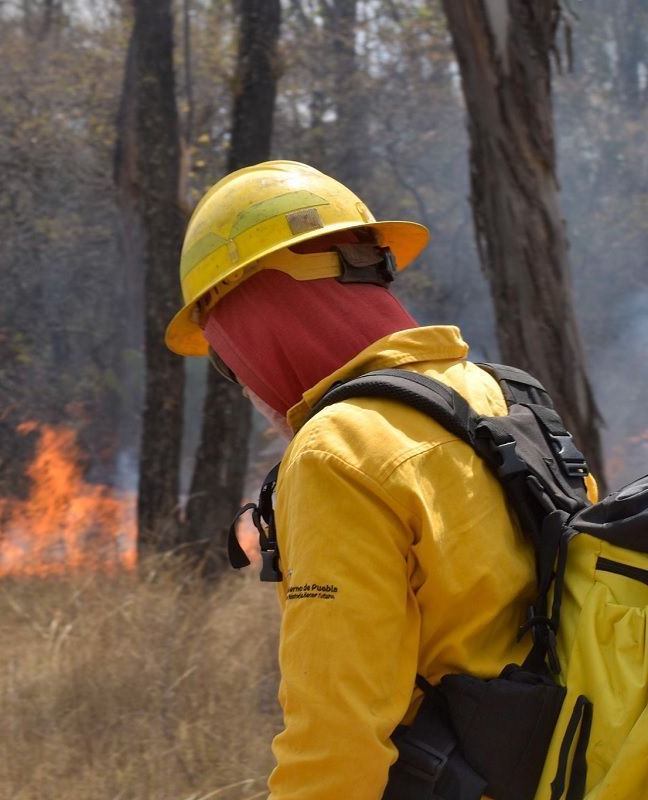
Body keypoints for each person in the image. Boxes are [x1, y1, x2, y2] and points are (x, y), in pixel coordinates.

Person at [164, 161, 596, 799]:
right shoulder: (506, 397)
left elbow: (336, 738)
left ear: (253, 325)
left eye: (229, 363)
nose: (246, 385)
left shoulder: (335, 454)